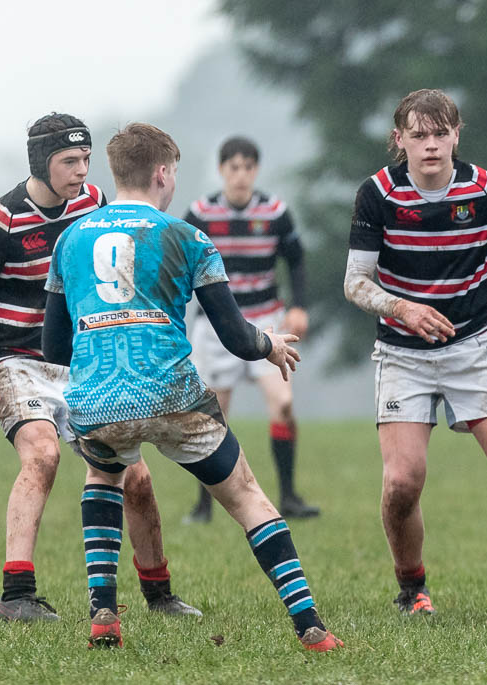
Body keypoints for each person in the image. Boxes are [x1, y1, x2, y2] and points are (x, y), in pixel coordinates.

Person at [42, 122, 341, 651]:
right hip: (173, 394)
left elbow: (52, 349)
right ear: (162, 172)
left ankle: (104, 613)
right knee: (248, 497)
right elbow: (234, 337)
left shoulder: (69, 240)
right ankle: (310, 626)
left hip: (97, 400)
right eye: (174, 173)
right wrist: (268, 345)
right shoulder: (188, 237)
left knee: (102, 475)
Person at [0, 112, 199, 622]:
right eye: (69, 161)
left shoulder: (94, 203)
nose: (82, 171)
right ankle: (15, 595)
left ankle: (158, 593)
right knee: (41, 454)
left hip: (79, 358)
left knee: (136, 478)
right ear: (41, 163)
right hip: (12, 359)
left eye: (85, 159)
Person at [344, 89, 487, 616]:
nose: (431, 145)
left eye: (440, 133)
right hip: (402, 352)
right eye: (418, 135)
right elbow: (356, 283)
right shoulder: (377, 194)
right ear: (399, 140)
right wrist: (405, 310)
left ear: (457, 134)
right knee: (402, 482)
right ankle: (411, 587)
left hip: (472, 345)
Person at [183, 137, 319, 523]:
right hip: (214, 326)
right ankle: (204, 504)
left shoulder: (275, 212)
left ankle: (289, 495)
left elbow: (296, 261)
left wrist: (299, 307)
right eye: (233, 167)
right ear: (222, 169)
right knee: (212, 417)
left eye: (248, 166)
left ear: (256, 169)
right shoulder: (200, 214)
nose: (241, 174)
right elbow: (179, 269)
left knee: (284, 405)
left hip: (267, 321)